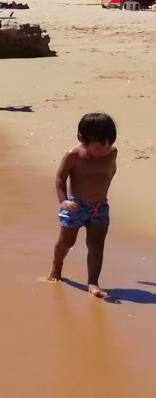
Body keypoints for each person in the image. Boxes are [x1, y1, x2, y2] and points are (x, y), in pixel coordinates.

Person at [48, 113, 119, 299]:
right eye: (97, 147)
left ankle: (93, 281)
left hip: (100, 207)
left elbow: (110, 170)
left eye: (108, 145)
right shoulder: (73, 156)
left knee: (96, 246)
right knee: (67, 241)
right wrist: (63, 201)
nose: (103, 150)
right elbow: (59, 178)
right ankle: (57, 265)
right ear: (81, 139)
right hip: (75, 206)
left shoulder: (112, 153)